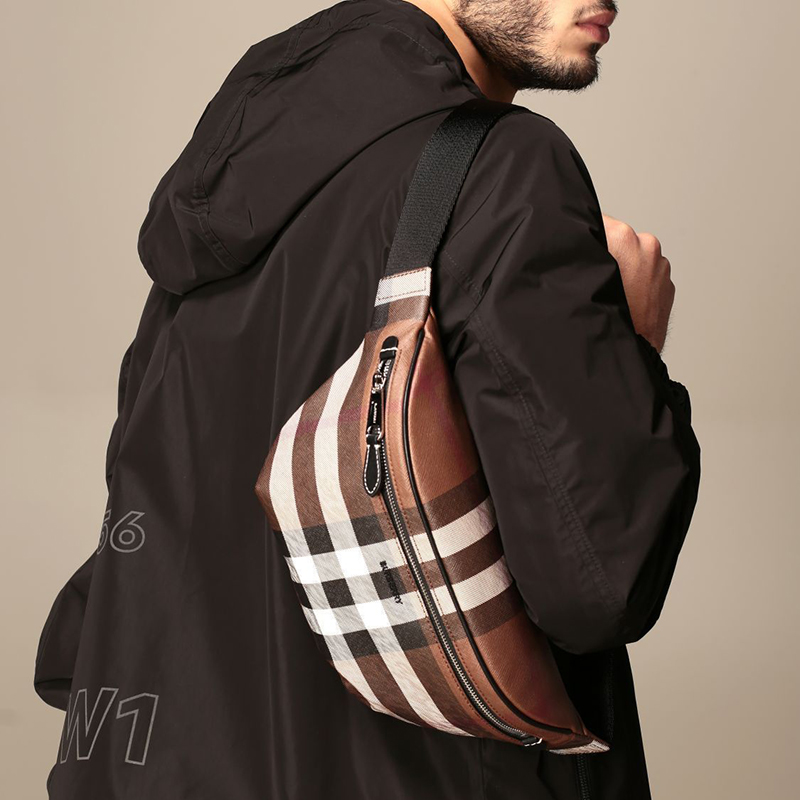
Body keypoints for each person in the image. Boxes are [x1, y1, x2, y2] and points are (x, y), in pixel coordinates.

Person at [34, 1, 701, 798]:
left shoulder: (230, 179)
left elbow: (137, 524)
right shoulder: (510, 166)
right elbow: (596, 584)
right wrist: (630, 351)